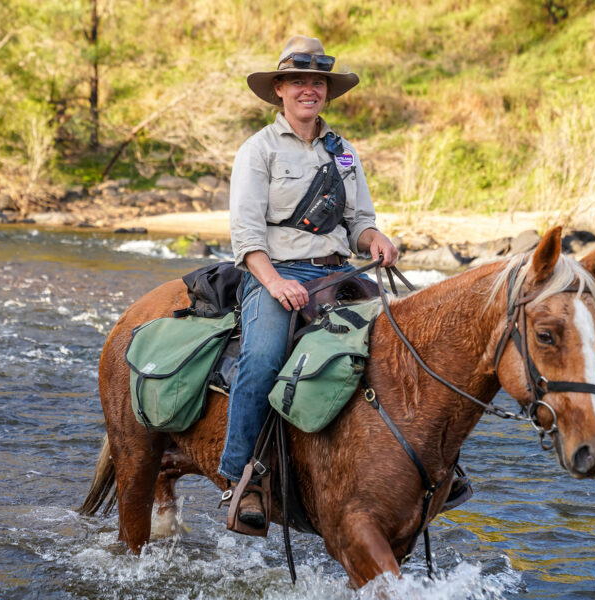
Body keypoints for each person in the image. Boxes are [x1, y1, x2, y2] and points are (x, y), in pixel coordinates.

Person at [219, 35, 399, 528]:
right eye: (297, 81)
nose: (308, 89)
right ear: (279, 89)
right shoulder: (257, 150)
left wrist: (376, 238)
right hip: (276, 273)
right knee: (261, 359)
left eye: (317, 82)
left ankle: (417, 468)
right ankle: (243, 478)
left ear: (327, 92)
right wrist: (275, 283)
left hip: (340, 273)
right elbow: (246, 236)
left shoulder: (345, 152)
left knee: (404, 345)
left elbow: (359, 222)